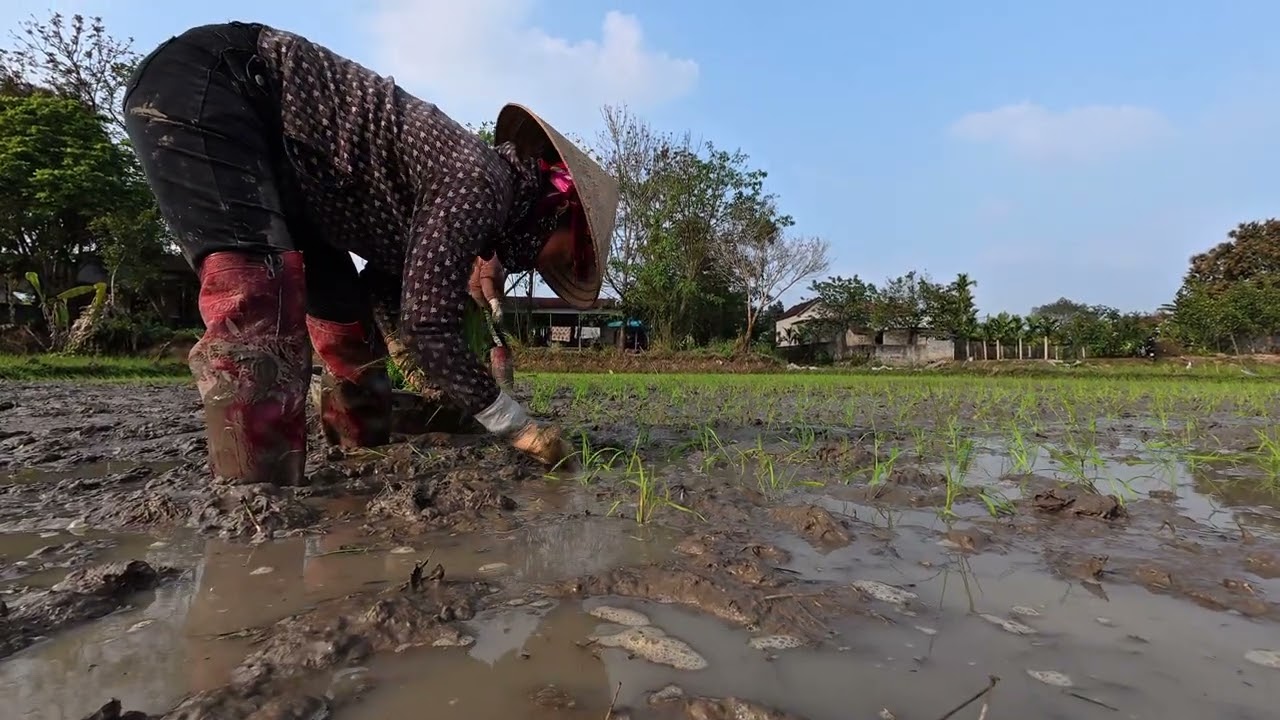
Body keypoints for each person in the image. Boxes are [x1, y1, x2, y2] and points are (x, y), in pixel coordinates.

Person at [121, 22, 617, 487]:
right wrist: (516, 425)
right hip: (225, 89)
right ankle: (254, 508)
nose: (548, 266)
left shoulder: (479, 201)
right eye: (567, 258)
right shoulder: (480, 180)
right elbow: (429, 326)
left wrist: (441, 384)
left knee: (350, 331)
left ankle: (357, 462)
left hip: (304, 191)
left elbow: (392, 295)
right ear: (559, 212)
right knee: (258, 298)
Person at [468, 255, 515, 388]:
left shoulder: (478, 256)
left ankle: (486, 382)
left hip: (474, 305)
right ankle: (504, 385)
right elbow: (486, 279)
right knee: (498, 343)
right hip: (482, 306)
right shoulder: (493, 256)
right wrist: (494, 302)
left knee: (484, 345)